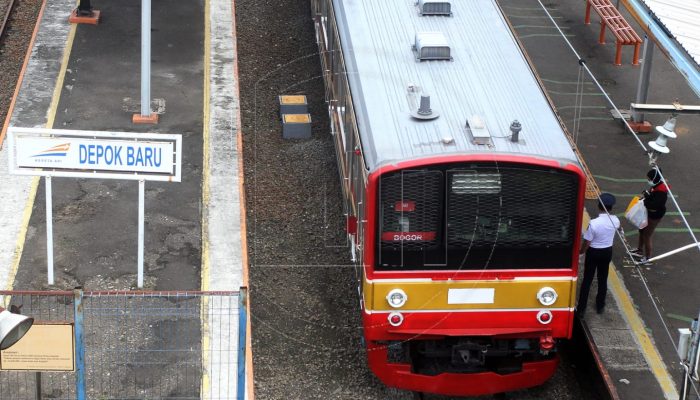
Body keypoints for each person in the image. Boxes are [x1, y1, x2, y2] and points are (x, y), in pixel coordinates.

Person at [578, 193, 620, 317]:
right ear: (611, 207)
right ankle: (600, 306)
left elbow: (587, 242)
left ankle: (581, 309)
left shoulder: (594, 223)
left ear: (599, 206)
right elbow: (618, 229)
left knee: (587, 280)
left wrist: (581, 252)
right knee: (603, 279)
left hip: (593, 252)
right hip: (607, 252)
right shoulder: (616, 220)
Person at [630, 168, 668, 266]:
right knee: (641, 230)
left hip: (654, 215)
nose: (648, 180)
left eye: (649, 179)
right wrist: (648, 194)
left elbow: (655, 205)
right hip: (648, 213)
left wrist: (646, 199)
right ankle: (639, 250)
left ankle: (648, 258)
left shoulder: (661, 191)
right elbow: (652, 196)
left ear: (654, 179)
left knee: (647, 235)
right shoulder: (656, 185)